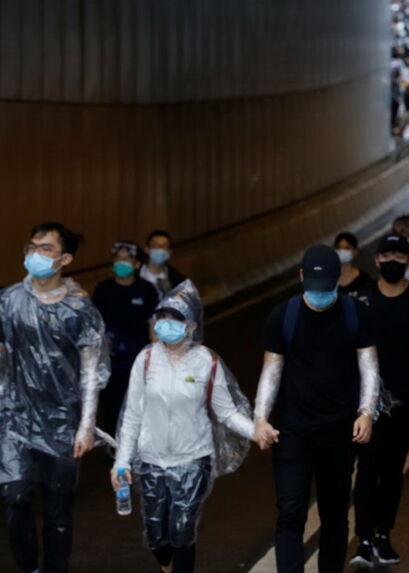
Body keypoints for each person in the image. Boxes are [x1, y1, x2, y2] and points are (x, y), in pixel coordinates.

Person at [112, 281, 257, 573]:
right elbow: (132, 416)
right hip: (151, 461)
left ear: (190, 326)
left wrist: (257, 431)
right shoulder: (146, 359)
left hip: (193, 459)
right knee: (156, 537)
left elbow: (227, 413)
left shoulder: (206, 362)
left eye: (175, 319)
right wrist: (121, 461)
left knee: (181, 529)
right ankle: (165, 562)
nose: (166, 325)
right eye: (162, 318)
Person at [252, 245, 380, 573]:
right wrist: (261, 418)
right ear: (301, 278)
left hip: (339, 433)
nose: (320, 294)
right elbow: (272, 370)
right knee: (290, 514)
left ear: (339, 280)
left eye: (327, 288)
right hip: (292, 432)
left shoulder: (356, 313)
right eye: (314, 287)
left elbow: (369, 367)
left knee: (335, 517)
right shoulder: (284, 315)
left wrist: (366, 412)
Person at [0, 222, 109, 573]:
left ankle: (55, 569)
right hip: (14, 418)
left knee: (58, 507)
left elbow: (92, 372)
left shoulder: (80, 310)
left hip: (63, 422)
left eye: (45, 248)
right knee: (13, 496)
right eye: (31, 246)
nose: (35, 253)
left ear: (65, 258)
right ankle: (29, 567)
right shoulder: (10, 300)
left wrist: (86, 427)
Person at [350, 235, 409, 569]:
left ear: (408, 261)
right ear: (376, 260)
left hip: (405, 403)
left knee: (391, 473)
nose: (392, 260)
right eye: (386, 254)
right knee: (366, 471)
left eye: (399, 255)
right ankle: (362, 539)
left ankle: (383, 535)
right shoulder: (362, 301)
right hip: (367, 406)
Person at [92, 241, 159, 436]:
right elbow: (94, 324)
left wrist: (157, 354)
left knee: (137, 401)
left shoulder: (146, 290)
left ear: (137, 264)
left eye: (127, 259)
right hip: (110, 358)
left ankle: (137, 441)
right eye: (118, 259)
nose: (121, 263)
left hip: (137, 357)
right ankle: (114, 442)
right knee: (111, 403)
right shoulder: (103, 289)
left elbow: (152, 323)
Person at [141, 230, 187, 300]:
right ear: (147, 249)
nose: (160, 249)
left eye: (164, 246)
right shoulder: (135, 273)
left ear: (170, 252)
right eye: (155, 245)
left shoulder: (176, 279)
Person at [334, 232, 375, 306]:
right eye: (339, 248)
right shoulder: (329, 280)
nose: (342, 251)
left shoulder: (363, 280)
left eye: (347, 248)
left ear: (355, 251)